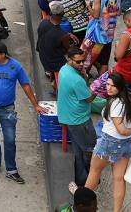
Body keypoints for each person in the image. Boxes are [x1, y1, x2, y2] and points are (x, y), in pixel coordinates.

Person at [0, 41, 48, 184]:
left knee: (10, 140)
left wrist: (35, 105)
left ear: (3, 54)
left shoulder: (16, 66)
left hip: (7, 110)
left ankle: (11, 170)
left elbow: (25, 86)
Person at [85, 72, 131, 212]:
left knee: (94, 172)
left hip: (109, 143)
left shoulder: (115, 103)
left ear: (120, 87)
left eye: (113, 86)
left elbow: (122, 129)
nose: (109, 88)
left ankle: (82, 204)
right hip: (126, 145)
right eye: (108, 84)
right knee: (119, 179)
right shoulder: (130, 100)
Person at [57, 47, 97, 193]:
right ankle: (91, 177)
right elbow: (88, 98)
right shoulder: (75, 80)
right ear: (69, 59)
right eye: (78, 62)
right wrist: (98, 88)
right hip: (80, 120)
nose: (81, 64)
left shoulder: (64, 70)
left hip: (69, 117)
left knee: (79, 150)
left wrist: (84, 75)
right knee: (89, 148)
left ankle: (81, 180)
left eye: (83, 61)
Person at [82, 0, 121, 75]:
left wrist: (88, 6)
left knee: (86, 59)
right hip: (109, 32)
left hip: (96, 34)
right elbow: (118, 12)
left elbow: (95, 15)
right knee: (104, 61)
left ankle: (85, 79)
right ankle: (102, 85)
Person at [37, 1, 76, 78]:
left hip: (43, 57)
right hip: (55, 63)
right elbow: (69, 49)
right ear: (63, 14)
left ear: (51, 12)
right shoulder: (62, 35)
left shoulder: (43, 22)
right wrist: (73, 43)